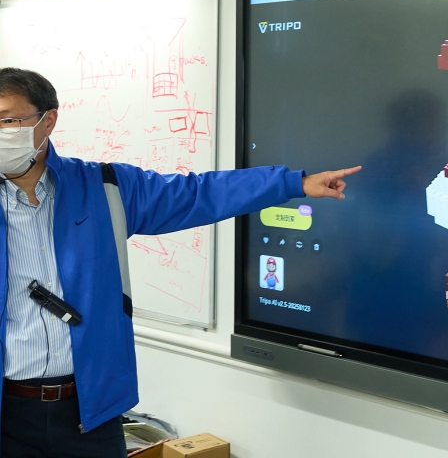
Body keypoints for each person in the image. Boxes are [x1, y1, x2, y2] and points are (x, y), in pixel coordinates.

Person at [0, 67, 360, 457]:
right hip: (7, 414)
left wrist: (291, 184)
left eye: (8, 120)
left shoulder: (104, 187)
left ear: (47, 120)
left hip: (91, 409)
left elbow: (196, 194)